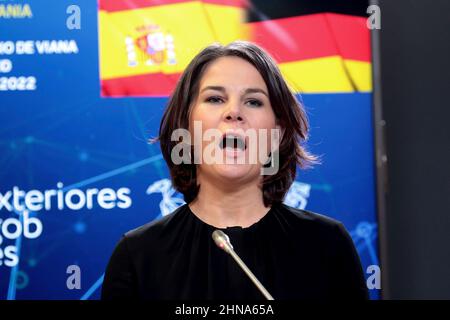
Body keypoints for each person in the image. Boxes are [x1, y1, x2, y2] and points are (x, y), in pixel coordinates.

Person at [101, 41, 369, 300]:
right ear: (186, 128)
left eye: (253, 102)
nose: (234, 112)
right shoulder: (137, 256)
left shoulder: (328, 245)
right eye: (215, 98)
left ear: (277, 134)